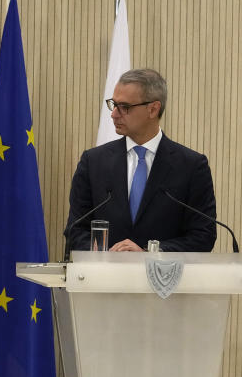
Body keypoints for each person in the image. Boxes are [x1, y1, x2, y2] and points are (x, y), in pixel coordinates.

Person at [64, 68, 216, 253]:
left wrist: (150, 253)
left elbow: (203, 235)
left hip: (163, 278)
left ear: (153, 109)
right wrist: (106, 254)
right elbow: (75, 230)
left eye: (124, 107)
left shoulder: (191, 166)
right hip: (105, 279)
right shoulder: (93, 162)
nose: (114, 114)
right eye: (114, 104)